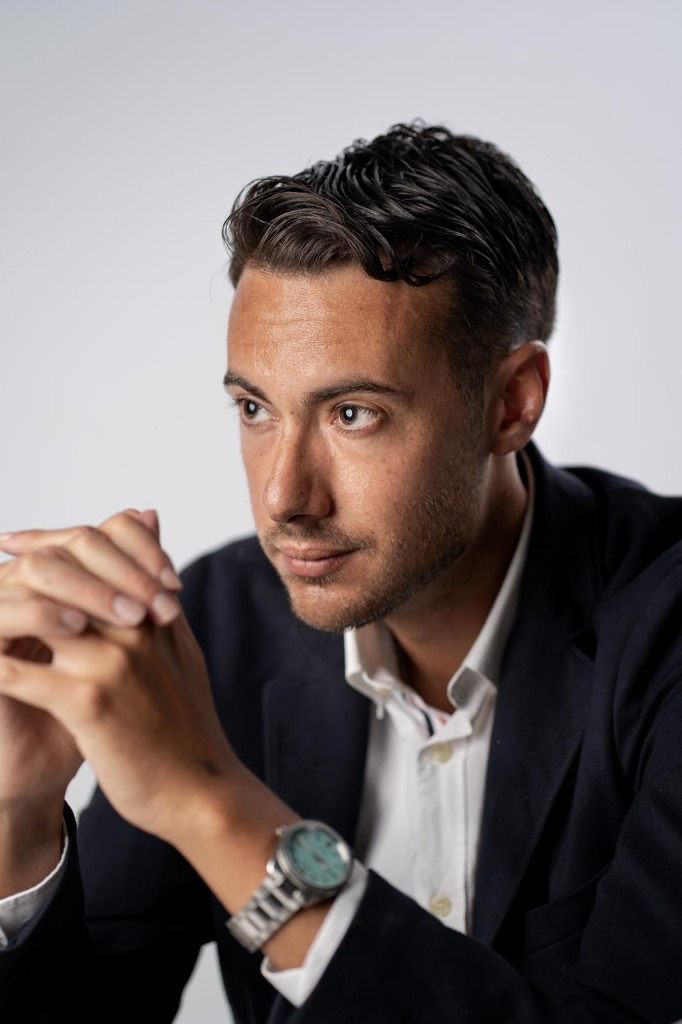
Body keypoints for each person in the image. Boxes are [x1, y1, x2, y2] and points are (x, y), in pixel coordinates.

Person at [0, 121, 681, 1024]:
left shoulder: (665, 624)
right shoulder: (216, 622)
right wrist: (18, 819)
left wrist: (211, 802)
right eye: (254, 407)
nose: (285, 496)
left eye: (353, 412)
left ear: (510, 402)